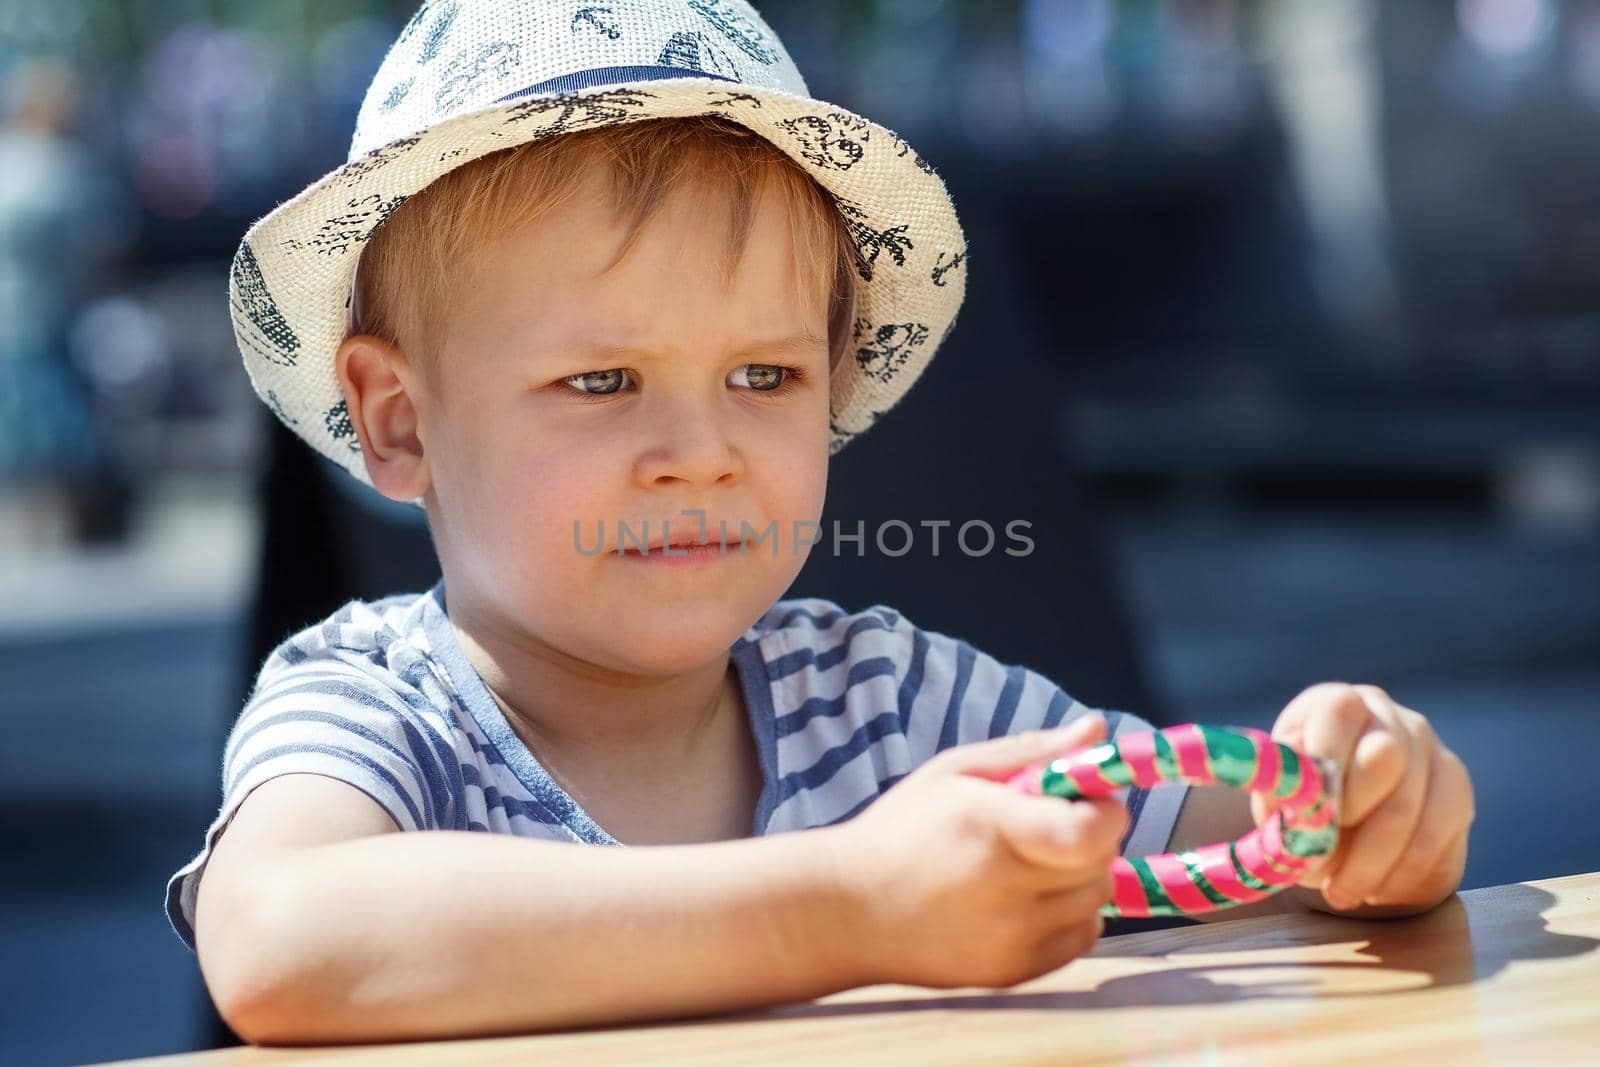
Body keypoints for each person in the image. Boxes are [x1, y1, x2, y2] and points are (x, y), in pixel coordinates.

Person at [166, 0, 1476, 1045]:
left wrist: (1362, 812)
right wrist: (854, 905)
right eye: (600, 383)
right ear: (398, 423)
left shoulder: (888, 701)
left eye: (763, 378)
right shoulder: (378, 710)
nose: (702, 455)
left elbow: (1226, 840)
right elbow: (284, 942)